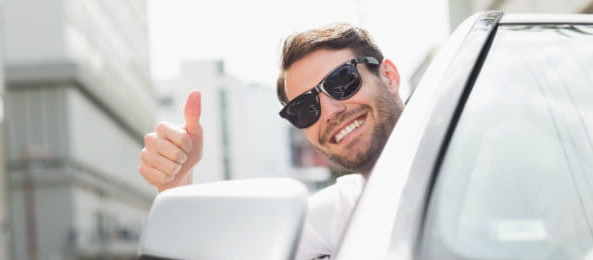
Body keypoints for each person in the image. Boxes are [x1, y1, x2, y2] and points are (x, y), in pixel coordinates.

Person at [138, 23, 405, 260]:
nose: (330, 113)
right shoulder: (335, 215)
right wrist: (176, 187)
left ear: (389, 76)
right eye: (305, 108)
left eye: (342, 81)